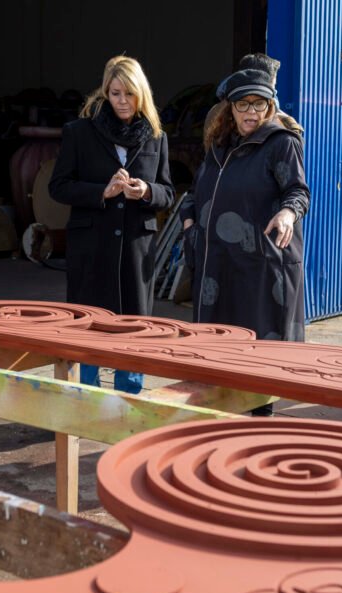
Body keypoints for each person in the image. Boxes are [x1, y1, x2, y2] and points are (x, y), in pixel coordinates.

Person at [48, 56, 174, 394]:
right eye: (115, 93)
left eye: (129, 94)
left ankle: (129, 397)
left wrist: (146, 191)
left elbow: (167, 192)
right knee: (90, 321)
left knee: (135, 323)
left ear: (141, 94)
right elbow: (58, 186)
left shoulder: (156, 137)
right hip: (92, 246)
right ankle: (87, 395)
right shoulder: (79, 132)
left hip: (136, 247)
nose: (122, 101)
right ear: (105, 92)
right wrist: (101, 192)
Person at [180, 68, 310, 341]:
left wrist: (288, 213)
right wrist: (190, 226)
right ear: (230, 108)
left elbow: (297, 190)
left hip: (259, 268)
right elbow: (194, 192)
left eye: (259, 103)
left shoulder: (280, 142)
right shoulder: (218, 146)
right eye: (243, 103)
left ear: (269, 106)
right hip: (217, 265)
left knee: (259, 348)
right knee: (216, 344)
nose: (251, 111)